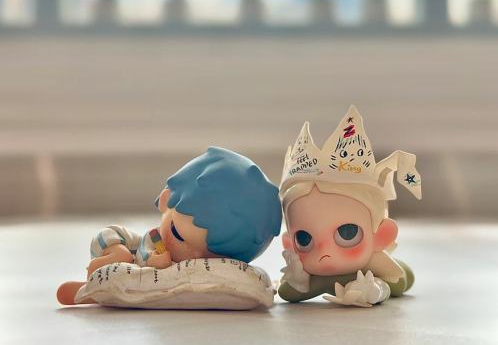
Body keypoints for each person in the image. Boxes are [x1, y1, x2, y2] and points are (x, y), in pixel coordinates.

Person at [57, 147, 282, 305]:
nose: (191, 256)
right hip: (114, 240)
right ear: (166, 200)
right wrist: (154, 260)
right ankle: (95, 275)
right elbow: (145, 251)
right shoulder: (157, 238)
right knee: (123, 256)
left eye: (210, 259)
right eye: (178, 234)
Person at [278, 105, 422, 307]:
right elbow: (288, 293)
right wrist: (298, 280)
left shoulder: (379, 265)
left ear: (382, 236)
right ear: (289, 244)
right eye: (304, 239)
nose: (324, 252)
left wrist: (375, 289)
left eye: (347, 233)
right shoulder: (308, 277)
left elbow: (400, 281)